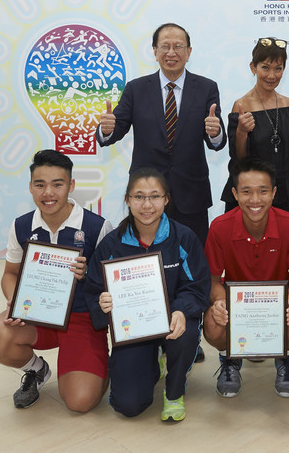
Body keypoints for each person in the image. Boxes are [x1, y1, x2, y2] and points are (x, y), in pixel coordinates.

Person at [0, 149, 114, 412]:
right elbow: (10, 273)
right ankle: (37, 370)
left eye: (57, 184)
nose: (48, 193)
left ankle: (101, 365)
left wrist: (88, 274)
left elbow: (111, 284)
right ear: (31, 187)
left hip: (82, 318)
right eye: (40, 184)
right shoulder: (21, 226)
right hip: (38, 314)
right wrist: (14, 301)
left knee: (80, 402)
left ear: (71, 186)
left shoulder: (97, 227)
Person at [85, 168, 210, 422]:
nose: (147, 205)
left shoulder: (183, 237)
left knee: (183, 335)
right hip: (135, 328)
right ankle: (153, 361)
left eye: (155, 196)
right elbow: (94, 287)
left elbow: (197, 286)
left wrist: (182, 310)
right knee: (127, 405)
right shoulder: (112, 244)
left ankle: (174, 392)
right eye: (139, 197)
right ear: (128, 200)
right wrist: (102, 302)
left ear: (166, 199)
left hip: (174, 320)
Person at [96, 22, 226, 245]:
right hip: (147, 194)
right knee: (145, 259)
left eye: (178, 46)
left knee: (193, 260)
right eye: (165, 47)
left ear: (189, 52)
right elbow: (115, 131)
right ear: (155, 52)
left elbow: (216, 141)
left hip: (191, 194)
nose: (171, 53)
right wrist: (106, 129)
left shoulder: (206, 88)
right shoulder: (136, 89)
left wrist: (216, 133)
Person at [205, 158, 289, 398]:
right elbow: (211, 281)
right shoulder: (219, 227)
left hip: (276, 307)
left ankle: (285, 358)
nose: (254, 200)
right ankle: (230, 358)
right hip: (237, 308)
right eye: (246, 192)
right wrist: (221, 302)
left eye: (262, 191)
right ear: (235, 194)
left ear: (273, 193)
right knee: (212, 321)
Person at [220, 37, 289, 213]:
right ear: (253, 67)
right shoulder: (241, 106)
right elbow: (239, 159)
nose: (272, 75)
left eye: (278, 69)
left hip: (280, 192)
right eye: (265, 67)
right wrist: (241, 131)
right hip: (248, 195)